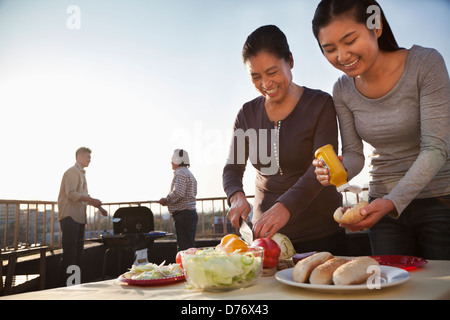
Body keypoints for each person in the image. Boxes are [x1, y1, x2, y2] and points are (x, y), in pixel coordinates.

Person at [312, 0, 450, 259]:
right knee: (391, 291)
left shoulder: (426, 63)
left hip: (439, 200)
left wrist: (392, 201)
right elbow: (354, 153)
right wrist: (337, 169)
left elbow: (436, 147)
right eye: (330, 49)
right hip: (380, 205)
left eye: (350, 41)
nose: (342, 56)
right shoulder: (342, 89)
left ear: (376, 27)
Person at [223, 25, 347, 255]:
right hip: (267, 241)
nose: (265, 84)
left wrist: (284, 206)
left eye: (272, 72)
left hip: (321, 233)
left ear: (289, 60)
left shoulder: (320, 104)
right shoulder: (246, 114)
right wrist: (236, 196)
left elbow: (321, 166)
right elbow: (232, 168)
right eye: (256, 76)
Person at [58, 147, 107, 285]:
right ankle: (65, 287)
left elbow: (85, 196)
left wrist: (100, 208)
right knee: (70, 253)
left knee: (78, 253)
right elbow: (71, 194)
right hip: (70, 216)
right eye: (88, 157)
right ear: (79, 157)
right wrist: (91, 200)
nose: (90, 160)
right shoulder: (72, 172)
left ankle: (75, 284)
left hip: (78, 218)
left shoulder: (81, 173)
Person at [159, 149, 198, 251]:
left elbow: (179, 192)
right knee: (189, 246)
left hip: (183, 216)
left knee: (184, 248)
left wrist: (166, 200)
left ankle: (185, 266)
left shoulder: (180, 173)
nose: (171, 162)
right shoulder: (188, 173)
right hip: (189, 214)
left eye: (172, 159)